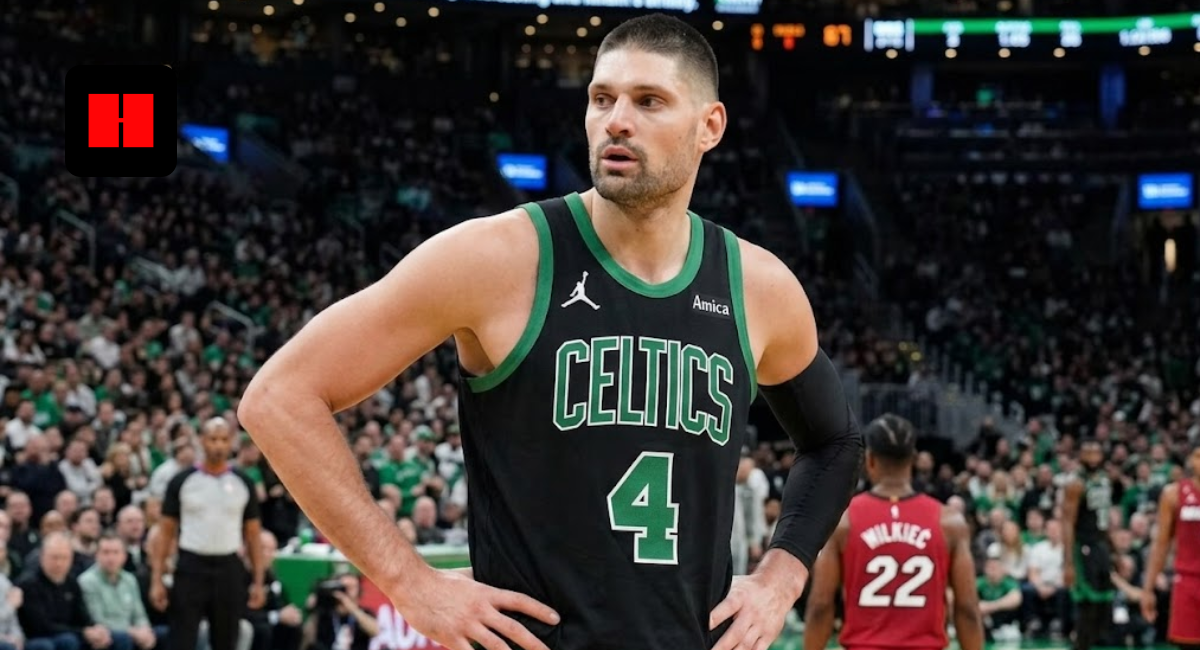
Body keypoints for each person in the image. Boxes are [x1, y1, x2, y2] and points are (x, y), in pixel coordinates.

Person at [239, 13, 863, 650]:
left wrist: (781, 578)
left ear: (711, 126)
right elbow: (278, 398)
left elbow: (836, 441)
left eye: (649, 101)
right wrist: (409, 581)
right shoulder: (496, 258)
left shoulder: (758, 286)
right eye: (602, 98)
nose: (616, 120)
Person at [803, 414, 983, 650]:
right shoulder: (949, 522)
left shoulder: (842, 521)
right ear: (914, 460)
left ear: (869, 460)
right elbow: (967, 609)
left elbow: (821, 606)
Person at [150, 418, 265, 650]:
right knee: (182, 640)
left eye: (224, 439)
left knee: (226, 641)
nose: (218, 445)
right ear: (202, 441)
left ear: (231, 442)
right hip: (190, 566)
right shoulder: (182, 481)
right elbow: (164, 534)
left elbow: (253, 536)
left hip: (229, 568)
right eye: (213, 439)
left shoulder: (243, 482)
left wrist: (258, 581)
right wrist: (157, 579)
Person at [1141, 444, 1200, 649]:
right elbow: (1160, 545)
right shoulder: (1172, 493)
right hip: (1187, 580)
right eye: (1198, 456)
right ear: (1191, 460)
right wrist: (1147, 590)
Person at [1062, 438, 1116, 650]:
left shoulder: (1104, 480)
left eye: (1096, 453)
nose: (1093, 457)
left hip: (1100, 545)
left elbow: (1105, 519)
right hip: (1083, 546)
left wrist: (1115, 550)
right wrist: (1068, 562)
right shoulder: (1076, 484)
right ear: (1081, 456)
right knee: (1088, 604)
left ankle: (1089, 643)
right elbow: (1067, 522)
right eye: (1088, 453)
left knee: (1104, 604)